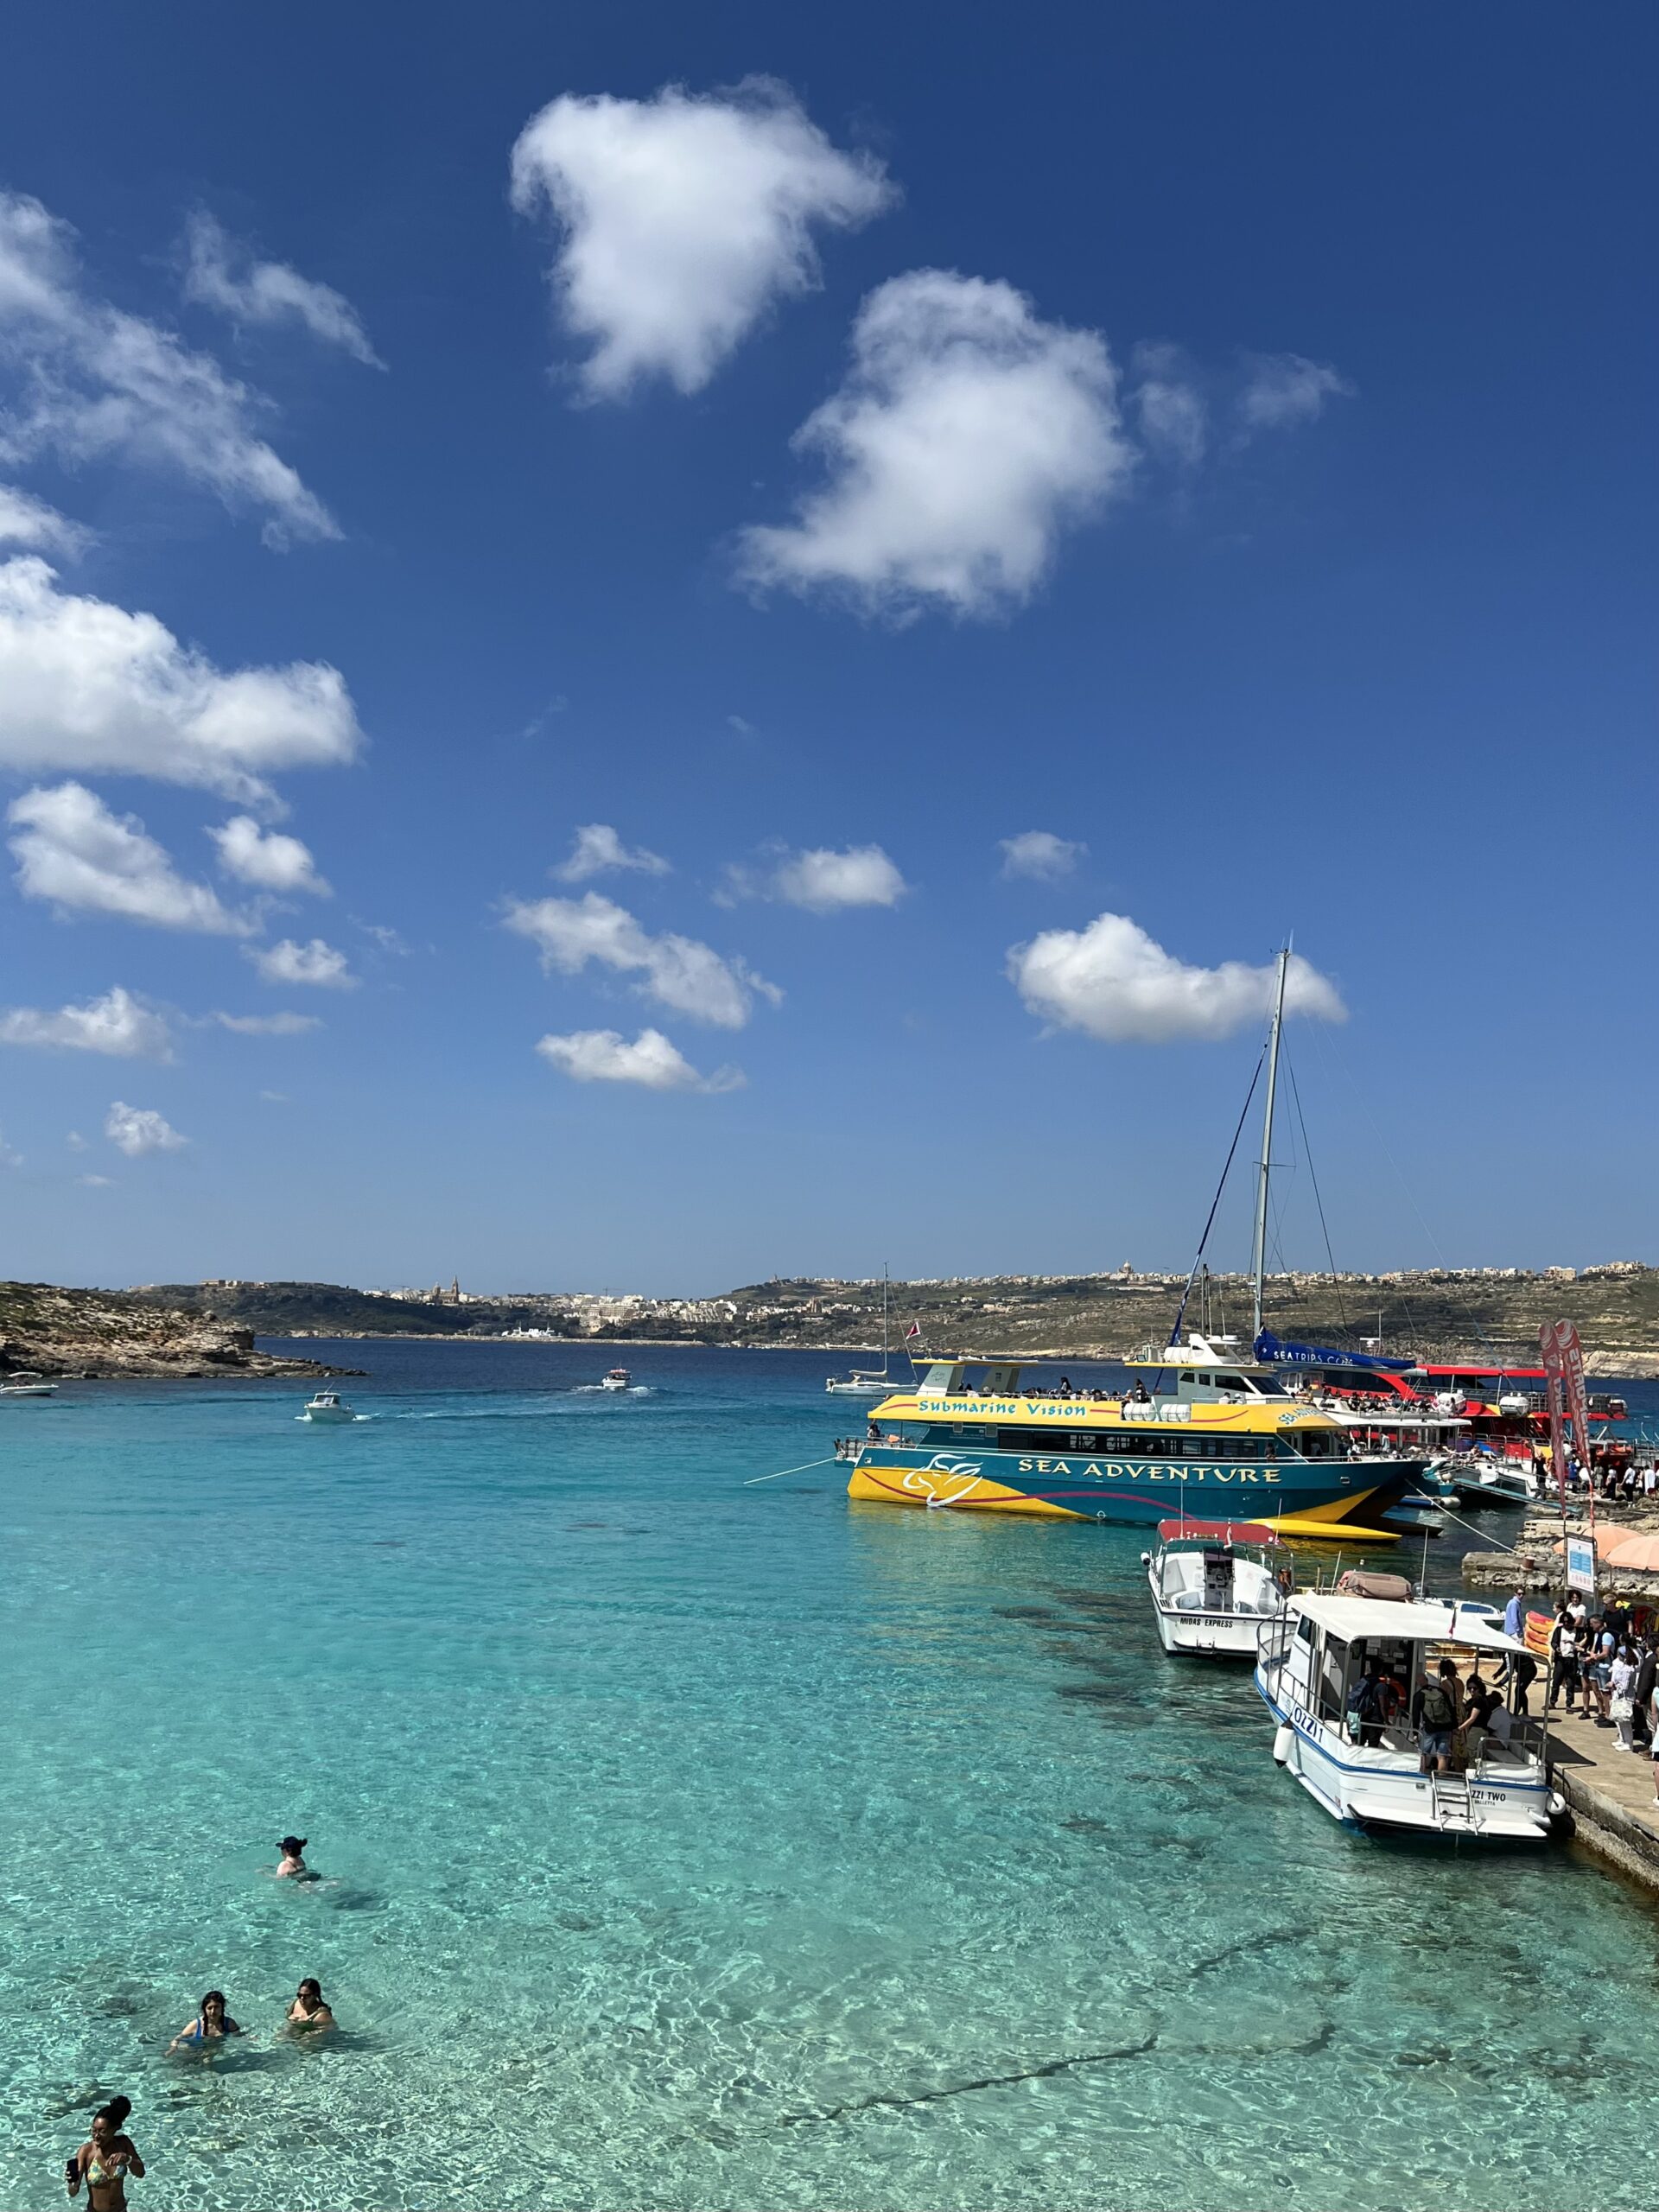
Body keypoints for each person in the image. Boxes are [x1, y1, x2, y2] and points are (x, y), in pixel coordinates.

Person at [67, 2101, 143, 2208]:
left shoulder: (123, 2144)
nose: (96, 2136)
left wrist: (128, 2159)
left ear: (115, 2129)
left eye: (102, 2131)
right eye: (94, 2130)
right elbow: (73, 2193)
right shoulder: (86, 2151)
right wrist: (72, 2182)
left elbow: (140, 2173)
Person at [1412, 1659, 1461, 1774]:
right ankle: (1441, 1778)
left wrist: (1415, 1733)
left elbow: (1415, 1715)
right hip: (1445, 1727)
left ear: (1418, 1683)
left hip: (1430, 1728)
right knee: (1442, 1756)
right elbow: (1450, 1708)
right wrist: (1454, 1726)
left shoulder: (1419, 1695)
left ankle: (1422, 1775)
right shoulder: (1440, 1691)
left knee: (1424, 1754)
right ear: (1427, 1680)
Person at [167, 1990, 242, 2053]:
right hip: (193, 2049)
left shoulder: (229, 2023)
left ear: (222, 2007)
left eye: (216, 2007)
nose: (213, 2011)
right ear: (204, 2009)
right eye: (209, 2008)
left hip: (213, 2048)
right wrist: (173, 2048)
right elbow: (177, 2039)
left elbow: (239, 2035)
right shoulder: (196, 2025)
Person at [1611, 1645, 1638, 1751]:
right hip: (1620, 1697)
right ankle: (1622, 1739)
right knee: (1620, 1721)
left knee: (1626, 1722)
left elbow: (1624, 1687)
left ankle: (1628, 1743)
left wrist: (1613, 1685)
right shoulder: (1623, 1667)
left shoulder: (1628, 1669)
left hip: (1626, 1698)